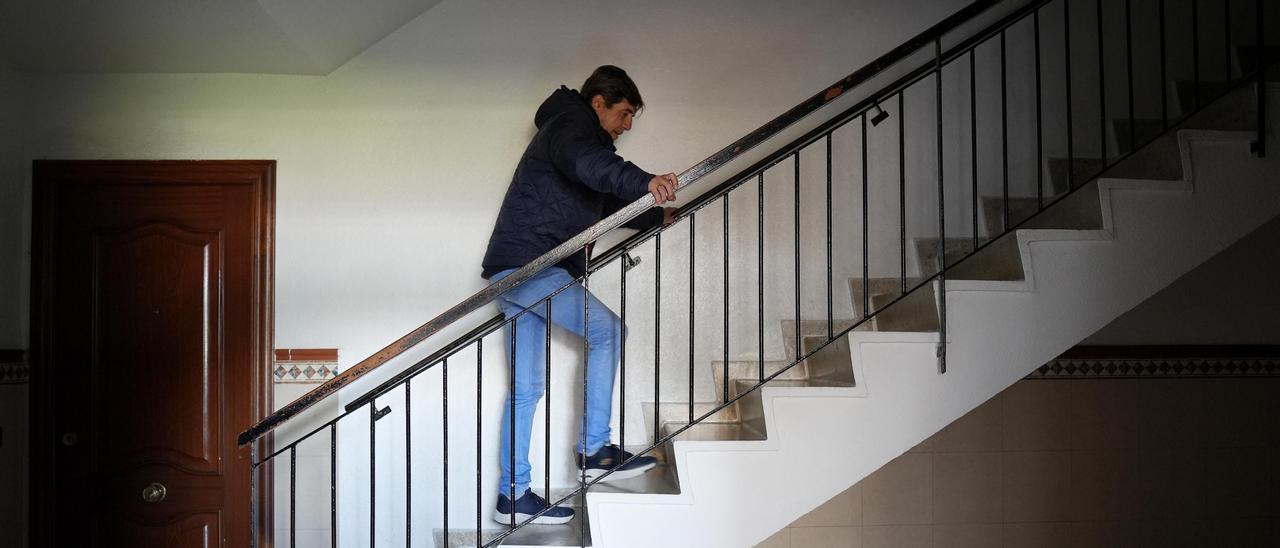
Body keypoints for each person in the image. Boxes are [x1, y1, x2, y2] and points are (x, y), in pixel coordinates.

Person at [481, 65, 679, 525]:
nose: (628, 125)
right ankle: (594, 449)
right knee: (609, 332)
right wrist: (646, 181)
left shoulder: (573, 140)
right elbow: (595, 167)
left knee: (526, 389)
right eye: (625, 113)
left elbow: (605, 201)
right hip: (532, 268)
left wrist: (656, 216)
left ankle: (512, 494)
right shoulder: (571, 126)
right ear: (598, 103)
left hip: (511, 271)